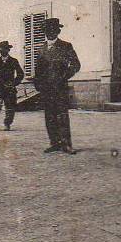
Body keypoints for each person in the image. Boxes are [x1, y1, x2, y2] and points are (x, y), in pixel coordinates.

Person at [32, 18, 80, 155]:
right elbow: (38, 70)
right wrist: (38, 84)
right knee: (49, 116)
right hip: (46, 89)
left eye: (53, 30)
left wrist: (64, 77)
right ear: (44, 32)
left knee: (62, 115)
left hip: (60, 88)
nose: (50, 33)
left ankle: (66, 144)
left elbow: (76, 64)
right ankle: (54, 143)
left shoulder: (66, 46)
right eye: (47, 31)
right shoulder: (41, 49)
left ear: (57, 31)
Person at [0, 40, 25, 132]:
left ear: (8, 50)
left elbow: (20, 74)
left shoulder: (14, 61)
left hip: (10, 88)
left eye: (3, 50)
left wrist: (13, 83)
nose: (1, 51)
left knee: (10, 106)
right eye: (0, 50)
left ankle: (7, 124)